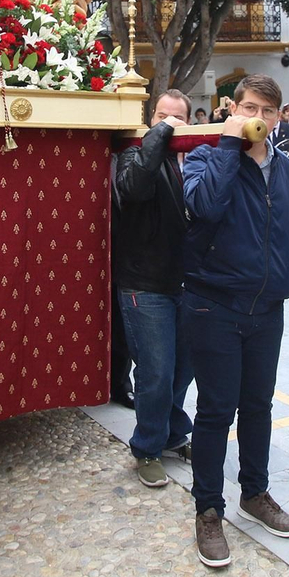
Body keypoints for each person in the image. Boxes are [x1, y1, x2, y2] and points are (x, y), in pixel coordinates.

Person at [181, 74, 289, 570]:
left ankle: (255, 493)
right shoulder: (203, 158)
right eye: (249, 108)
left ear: (278, 118)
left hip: (267, 307)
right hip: (214, 304)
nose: (258, 118)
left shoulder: (286, 170)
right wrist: (229, 146)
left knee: (259, 405)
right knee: (216, 410)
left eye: (267, 111)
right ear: (232, 108)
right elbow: (205, 206)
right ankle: (208, 510)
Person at [113, 90, 195, 488]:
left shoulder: (196, 160)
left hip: (187, 282)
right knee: (155, 371)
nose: (171, 122)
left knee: (184, 368)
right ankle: (147, 447)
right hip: (144, 283)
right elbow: (134, 188)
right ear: (151, 121)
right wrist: (158, 136)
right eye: (163, 116)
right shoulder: (134, 156)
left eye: (178, 117)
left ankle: (173, 434)